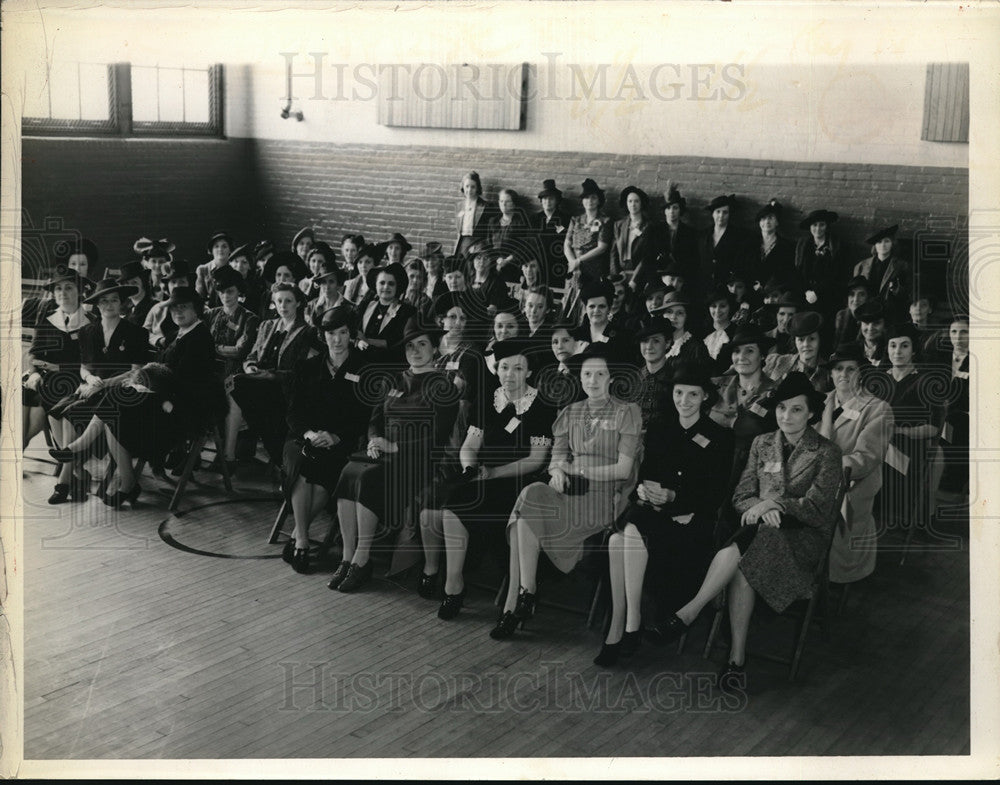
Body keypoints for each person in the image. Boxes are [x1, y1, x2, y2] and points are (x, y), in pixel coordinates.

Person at [645, 372, 843, 688]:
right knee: (748, 556)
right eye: (781, 408)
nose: (786, 416)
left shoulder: (827, 452)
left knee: (749, 547)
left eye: (796, 409)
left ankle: (690, 613)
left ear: (812, 414)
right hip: (757, 531)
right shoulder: (762, 443)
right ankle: (736, 658)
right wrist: (759, 509)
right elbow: (741, 496)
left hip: (800, 541)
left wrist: (773, 505)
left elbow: (818, 510)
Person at [492, 346, 641, 639]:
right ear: (580, 378)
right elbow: (556, 460)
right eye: (587, 374)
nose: (593, 380)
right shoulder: (570, 412)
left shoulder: (627, 412)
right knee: (532, 493)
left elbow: (624, 470)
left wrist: (578, 471)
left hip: (602, 497)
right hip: (567, 490)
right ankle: (528, 590)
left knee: (524, 518)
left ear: (611, 378)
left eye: (600, 374)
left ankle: (516, 603)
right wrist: (559, 472)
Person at [595, 364, 733, 666]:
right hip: (652, 513)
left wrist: (675, 498)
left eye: (692, 395)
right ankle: (628, 623)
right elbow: (646, 475)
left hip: (691, 523)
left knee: (623, 537)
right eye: (679, 393)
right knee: (625, 534)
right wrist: (645, 491)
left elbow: (716, 494)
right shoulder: (660, 428)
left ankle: (621, 628)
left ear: (705, 397)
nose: (683, 400)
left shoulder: (720, 437)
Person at [418, 338, 557, 618]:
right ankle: (453, 584)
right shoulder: (488, 398)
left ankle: (510, 590)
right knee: (452, 499)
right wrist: (470, 468)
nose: (509, 374)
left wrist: (493, 473)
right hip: (483, 474)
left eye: (517, 369)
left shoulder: (541, 405)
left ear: (529, 372)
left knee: (473, 502)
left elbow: (536, 459)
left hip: (518, 480)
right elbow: (470, 444)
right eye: (504, 367)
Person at [52, 288, 228, 508]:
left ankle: (83, 451)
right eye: (174, 307)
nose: (178, 312)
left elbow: (186, 382)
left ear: (197, 309)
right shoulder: (178, 334)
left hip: (182, 409)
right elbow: (163, 372)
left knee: (116, 403)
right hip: (163, 398)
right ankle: (127, 481)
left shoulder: (200, 337)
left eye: (184, 307)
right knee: (113, 407)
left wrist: (148, 386)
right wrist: (142, 383)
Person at [331, 323, 461, 593]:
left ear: (435, 349)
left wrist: (396, 447)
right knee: (348, 472)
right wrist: (373, 440)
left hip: (419, 461)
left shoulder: (444, 386)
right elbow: (375, 419)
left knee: (367, 478)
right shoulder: (394, 379)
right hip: (383, 454)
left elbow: (438, 437)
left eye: (422, 344)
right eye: (410, 346)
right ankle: (346, 557)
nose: (415, 351)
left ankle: (362, 559)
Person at [281, 306, 373, 574]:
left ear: (351, 335)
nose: (337, 339)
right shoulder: (307, 367)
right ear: (323, 336)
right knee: (301, 464)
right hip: (302, 437)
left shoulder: (363, 369)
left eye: (343, 333)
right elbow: (293, 413)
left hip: (339, 441)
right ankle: (302, 540)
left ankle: (299, 533)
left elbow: (363, 416)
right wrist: (309, 434)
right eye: (331, 333)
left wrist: (335, 436)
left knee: (323, 472)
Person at [46, 277, 149, 502]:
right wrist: (90, 378)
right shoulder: (88, 332)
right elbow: (84, 368)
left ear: (121, 303)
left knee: (72, 416)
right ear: (98, 304)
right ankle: (70, 471)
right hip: (94, 387)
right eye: (104, 301)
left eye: (114, 300)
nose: (109, 305)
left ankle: (64, 482)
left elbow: (136, 370)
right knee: (58, 413)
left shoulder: (135, 332)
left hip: (121, 391)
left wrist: (105, 383)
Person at [816, 344, 894, 584]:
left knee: (822, 513)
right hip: (817, 479)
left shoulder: (877, 408)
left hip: (853, 485)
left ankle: (825, 577)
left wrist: (822, 468)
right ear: (831, 373)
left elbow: (866, 457)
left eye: (851, 369)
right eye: (838, 369)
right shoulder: (820, 402)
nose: (844, 375)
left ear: (861, 373)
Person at [22, 265, 95, 492]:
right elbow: (33, 354)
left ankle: (66, 474)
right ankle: (71, 469)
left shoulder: (90, 321)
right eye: (58, 288)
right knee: (24, 394)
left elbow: (89, 362)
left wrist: (53, 367)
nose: (63, 292)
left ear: (79, 291)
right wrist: (34, 372)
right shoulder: (48, 318)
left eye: (69, 287)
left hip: (76, 380)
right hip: (45, 378)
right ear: (53, 293)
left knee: (54, 396)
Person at [227, 283, 314, 465]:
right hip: (258, 381)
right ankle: (230, 454)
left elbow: (302, 373)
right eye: (279, 301)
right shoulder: (267, 325)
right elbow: (251, 355)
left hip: (284, 388)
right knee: (234, 384)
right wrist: (250, 366)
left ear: (298, 303)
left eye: (288, 301)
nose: (283, 305)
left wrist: (272, 375)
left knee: (236, 384)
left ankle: (236, 451)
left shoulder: (306, 332)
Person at [874, 322, 945, 539]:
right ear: (886, 349)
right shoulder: (877, 379)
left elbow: (934, 427)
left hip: (908, 445)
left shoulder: (924, 381)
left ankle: (897, 519)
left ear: (913, 350)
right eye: (893, 345)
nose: (897, 351)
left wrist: (901, 432)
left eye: (904, 346)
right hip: (876, 440)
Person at [709, 328, 779, 523]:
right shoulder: (715, 387)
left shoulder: (775, 393)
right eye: (736, 351)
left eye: (749, 351)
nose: (741, 357)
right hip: (711, 468)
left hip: (750, 475)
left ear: (762, 356)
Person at [563, 178, 613, 322]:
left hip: (594, 270)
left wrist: (579, 261)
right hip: (575, 270)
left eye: (593, 198)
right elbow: (567, 244)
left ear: (599, 200)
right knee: (572, 303)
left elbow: (602, 247)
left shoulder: (605, 221)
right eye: (586, 198)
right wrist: (572, 262)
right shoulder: (576, 220)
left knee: (590, 304)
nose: (589, 201)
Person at [356, 263, 416, 366]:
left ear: (397, 286)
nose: (386, 287)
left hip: (388, 366)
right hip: (359, 362)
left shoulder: (407, 312)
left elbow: (397, 343)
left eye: (391, 284)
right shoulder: (365, 305)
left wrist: (366, 340)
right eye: (382, 283)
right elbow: (354, 331)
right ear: (375, 285)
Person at [207, 266, 261, 379]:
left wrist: (212, 347)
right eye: (222, 292)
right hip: (208, 368)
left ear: (239, 291)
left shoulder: (249, 318)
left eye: (230, 291)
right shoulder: (210, 314)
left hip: (233, 371)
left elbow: (239, 351)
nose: (225, 296)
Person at [853, 224, 911, 325]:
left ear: (892, 243)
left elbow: (907, 293)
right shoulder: (861, 266)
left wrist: (896, 290)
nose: (883, 245)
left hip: (889, 311)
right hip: (866, 310)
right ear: (875, 245)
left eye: (887, 241)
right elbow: (854, 290)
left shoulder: (902, 266)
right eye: (879, 242)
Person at [571, 279, 637, 366]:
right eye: (592, 306)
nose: (596, 310)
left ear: (609, 309)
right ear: (586, 308)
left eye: (601, 306)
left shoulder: (623, 337)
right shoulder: (574, 335)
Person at [763, 311, 832, 391]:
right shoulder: (777, 362)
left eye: (812, 339)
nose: (806, 344)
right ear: (795, 341)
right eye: (801, 340)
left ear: (820, 341)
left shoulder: (828, 373)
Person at [794, 209, 843, 317]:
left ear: (827, 226)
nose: (818, 228)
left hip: (826, 295)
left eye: (822, 225)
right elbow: (797, 271)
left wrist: (818, 292)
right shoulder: (803, 245)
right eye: (814, 225)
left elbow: (837, 274)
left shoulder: (836, 246)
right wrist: (806, 291)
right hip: (804, 295)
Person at [698, 194, 750, 296]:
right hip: (704, 286)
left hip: (726, 288)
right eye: (718, 212)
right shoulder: (703, 235)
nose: (721, 216)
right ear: (712, 214)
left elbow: (740, 263)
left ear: (729, 215)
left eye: (725, 212)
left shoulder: (738, 236)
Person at [611, 185, 657, 291]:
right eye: (630, 201)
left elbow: (647, 256)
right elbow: (613, 253)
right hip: (621, 273)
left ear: (641, 203)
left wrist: (635, 279)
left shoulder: (648, 226)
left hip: (640, 273)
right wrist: (616, 275)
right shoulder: (619, 225)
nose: (633, 204)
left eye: (636, 201)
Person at [656, 290, 711, 375]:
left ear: (686, 317)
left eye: (680, 313)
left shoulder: (696, 349)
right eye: (669, 312)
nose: (673, 317)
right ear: (663, 315)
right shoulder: (656, 343)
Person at [487, 188, 534, 285]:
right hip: (494, 264)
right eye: (501, 201)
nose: (503, 204)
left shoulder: (521, 222)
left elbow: (524, 246)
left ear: (514, 204)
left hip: (513, 265)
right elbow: (488, 244)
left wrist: (507, 260)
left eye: (507, 201)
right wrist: (497, 260)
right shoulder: (493, 221)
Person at [632, 320, 672, 430]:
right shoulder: (632, 380)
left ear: (667, 343)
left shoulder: (675, 378)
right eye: (644, 341)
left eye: (656, 341)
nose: (649, 347)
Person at [657, 182, 699, 283]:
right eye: (668, 208)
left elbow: (692, 260)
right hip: (659, 276)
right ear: (664, 211)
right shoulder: (655, 230)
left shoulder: (689, 232)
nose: (671, 211)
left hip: (681, 278)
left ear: (680, 210)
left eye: (675, 208)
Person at [752, 200, 796, 290]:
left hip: (774, 291)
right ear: (759, 222)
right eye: (763, 218)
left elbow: (786, 273)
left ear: (777, 222)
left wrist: (767, 285)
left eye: (771, 218)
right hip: (750, 288)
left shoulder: (786, 246)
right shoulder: (750, 242)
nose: (767, 222)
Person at [532, 179, 569, 285]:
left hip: (556, 266)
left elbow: (565, 242)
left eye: (551, 198)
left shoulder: (565, 219)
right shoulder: (534, 219)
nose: (548, 202)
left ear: (557, 200)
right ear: (541, 200)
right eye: (545, 198)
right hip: (537, 265)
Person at [455, 171, 499, 258]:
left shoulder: (486, 206)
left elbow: (491, 231)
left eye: (473, 187)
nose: (469, 190)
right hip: (462, 243)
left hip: (478, 244)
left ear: (478, 188)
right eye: (467, 186)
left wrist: (481, 246)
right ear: (463, 187)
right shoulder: (459, 205)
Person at [703, 286, 738, 374]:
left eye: (722, 306)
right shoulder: (701, 332)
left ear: (730, 307)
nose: (717, 310)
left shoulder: (737, 332)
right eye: (713, 306)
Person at [195, 230, 234, 307]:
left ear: (230, 250)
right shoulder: (202, 270)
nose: (220, 249)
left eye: (224, 246)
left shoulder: (234, 269)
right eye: (216, 246)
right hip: (209, 313)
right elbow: (200, 297)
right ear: (211, 250)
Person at [833, 276, 872, 347]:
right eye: (852, 294)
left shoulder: (871, 319)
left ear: (868, 298)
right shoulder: (841, 316)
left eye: (861, 294)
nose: (856, 299)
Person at [854, 301, 891, 371]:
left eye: (876, 323)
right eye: (866, 323)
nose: (870, 328)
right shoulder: (850, 350)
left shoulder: (891, 351)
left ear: (884, 325)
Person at [117, 261, 157, 327]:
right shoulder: (129, 312)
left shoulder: (154, 307)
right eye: (126, 283)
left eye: (134, 282)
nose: (130, 287)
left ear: (143, 283)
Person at [343, 242, 382, 307]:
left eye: (368, 262)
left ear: (374, 264)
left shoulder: (379, 284)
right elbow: (346, 308)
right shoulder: (351, 284)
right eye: (360, 262)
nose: (363, 266)